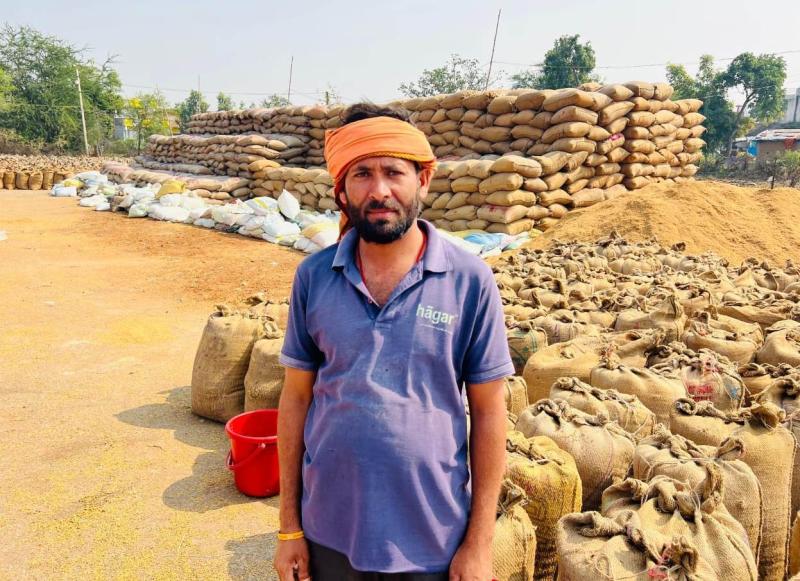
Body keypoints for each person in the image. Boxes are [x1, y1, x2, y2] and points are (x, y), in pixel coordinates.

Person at [273, 102, 514, 581]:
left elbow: (489, 412)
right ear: (342, 189)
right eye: (362, 174)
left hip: (432, 539)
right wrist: (288, 528)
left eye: (394, 172)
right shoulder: (314, 277)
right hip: (329, 534)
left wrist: (479, 545)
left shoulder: (470, 280)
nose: (379, 190)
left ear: (422, 180)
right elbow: (296, 398)